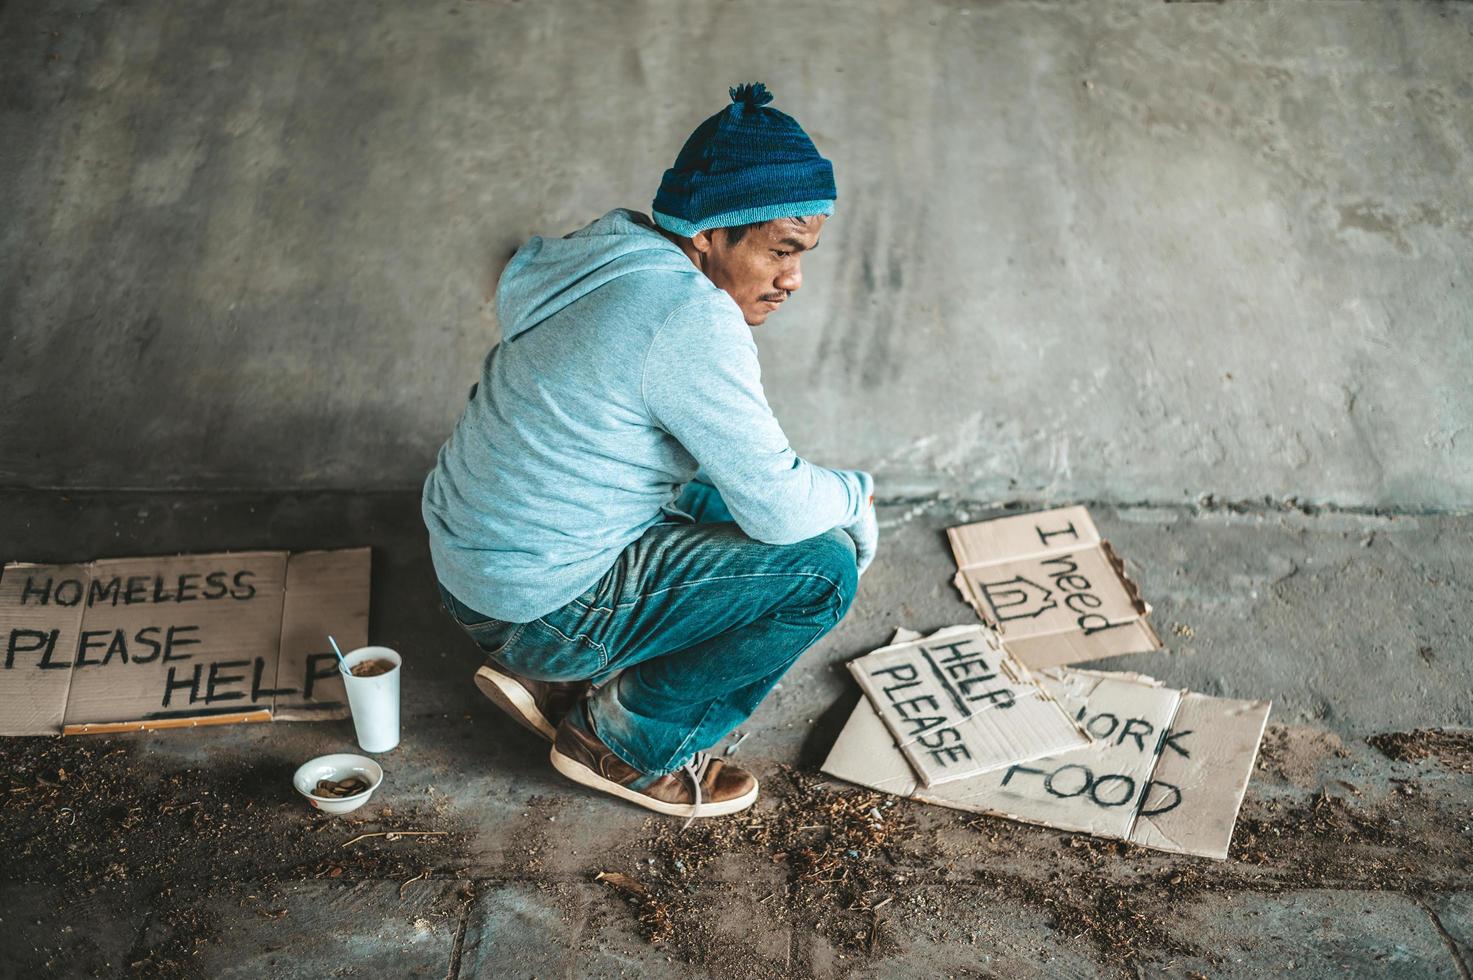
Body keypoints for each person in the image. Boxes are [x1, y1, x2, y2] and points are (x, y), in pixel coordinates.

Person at [421, 82, 878, 822]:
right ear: (708, 234)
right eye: (780, 252)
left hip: (467, 568)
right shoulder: (691, 319)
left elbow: (514, 271)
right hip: (535, 607)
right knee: (818, 569)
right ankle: (624, 743)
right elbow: (779, 505)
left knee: (713, 499)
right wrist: (856, 497)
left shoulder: (607, 246)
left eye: (804, 255)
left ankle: (555, 677)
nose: (793, 279)